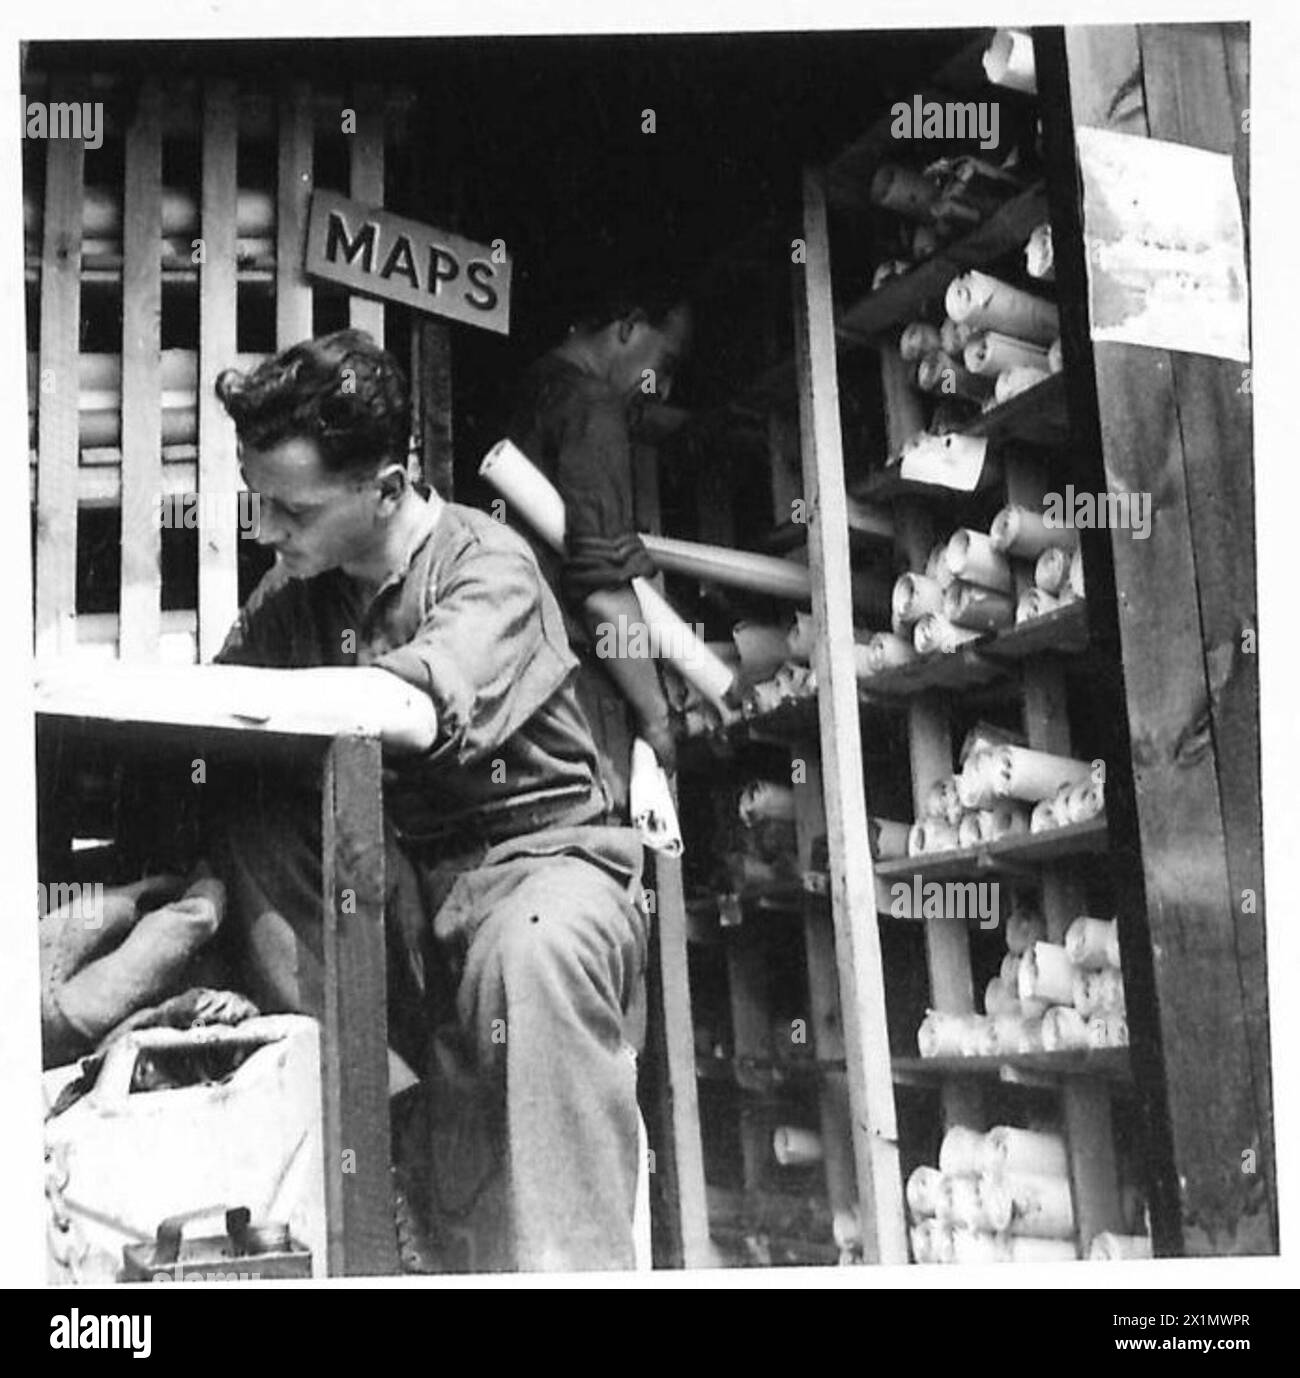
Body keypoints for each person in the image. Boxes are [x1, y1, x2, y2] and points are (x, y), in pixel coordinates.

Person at [208, 329, 649, 1273]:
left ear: (386, 489)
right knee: (239, 819)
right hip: (405, 883)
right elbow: (219, 711)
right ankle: (393, 1118)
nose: (268, 531)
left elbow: (412, 704)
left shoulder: (490, 567)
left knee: (535, 954)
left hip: (542, 864)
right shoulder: (299, 596)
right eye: (259, 504)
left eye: (291, 509)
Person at [502, 281, 693, 814]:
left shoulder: (533, 389)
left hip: (513, 686)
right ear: (628, 326)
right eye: (666, 361)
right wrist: (657, 717)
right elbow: (603, 593)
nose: (665, 389)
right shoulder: (592, 404)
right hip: (571, 693)